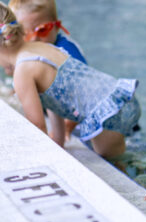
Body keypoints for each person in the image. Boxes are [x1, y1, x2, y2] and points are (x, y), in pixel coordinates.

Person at [0, 3, 140, 158]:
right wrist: (58, 140)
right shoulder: (41, 47)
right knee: (117, 156)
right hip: (117, 99)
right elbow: (53, 100)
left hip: (104, 115)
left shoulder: (22, 72)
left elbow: (37, 126)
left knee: (115, 163)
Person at [9, 0, 88, 140]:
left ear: (57, 26)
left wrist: (68, 127)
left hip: (85, 118)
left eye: (42, 30)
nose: (34, 38)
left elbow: (84, 92)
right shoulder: (29, 53)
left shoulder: (67, 52)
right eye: (25, 33)